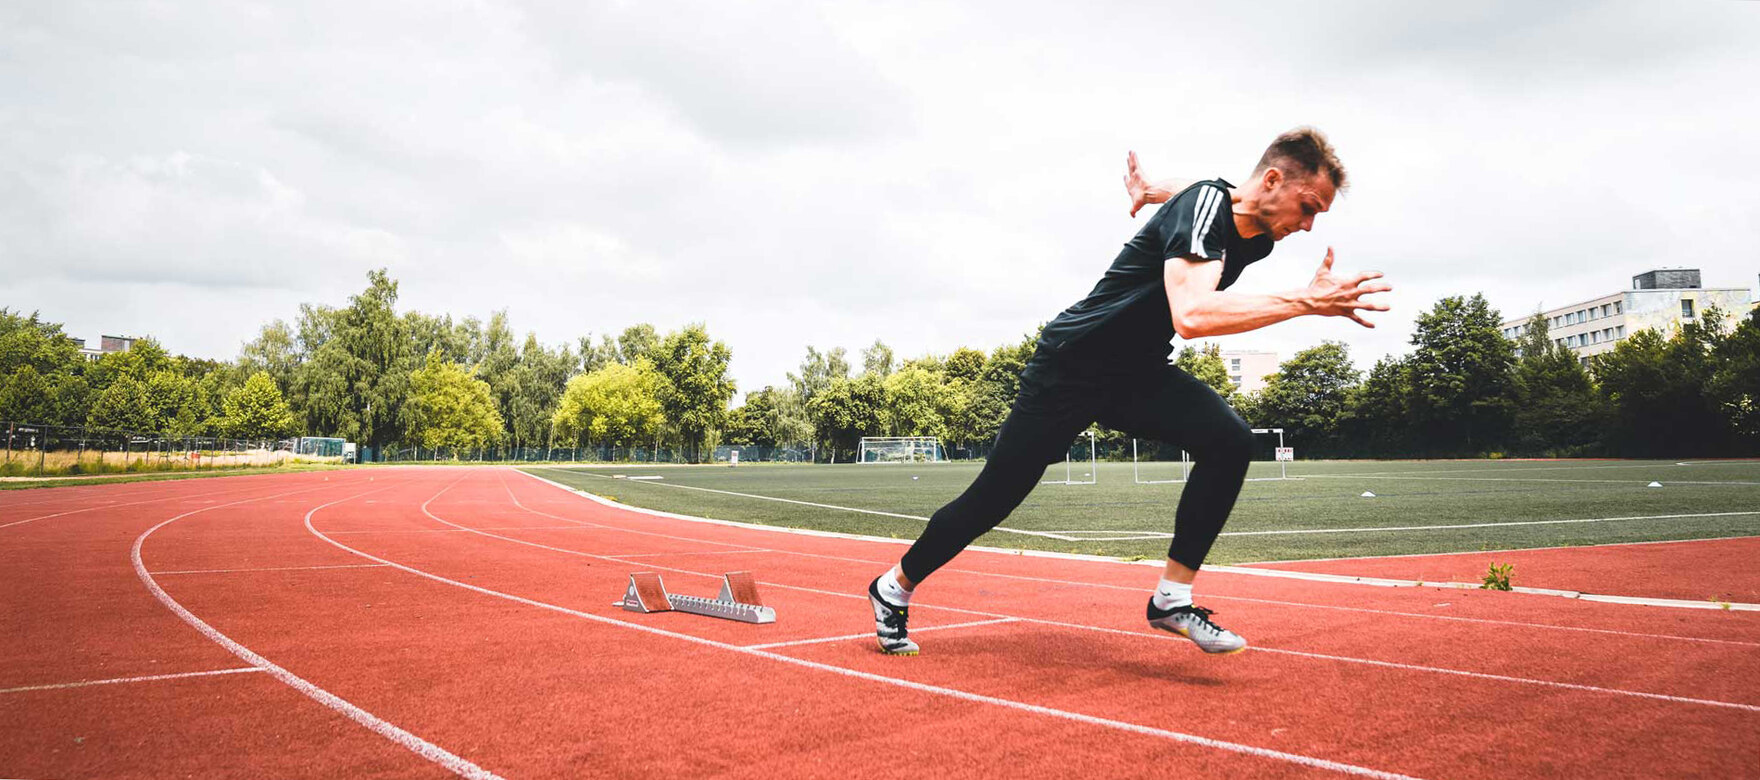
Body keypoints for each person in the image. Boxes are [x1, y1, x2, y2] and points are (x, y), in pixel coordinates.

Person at [867, 127, 1390, 656]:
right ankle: (893, 588)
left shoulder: (1252, 228)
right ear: (1273, 180)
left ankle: (1172, 598)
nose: (1307, 225)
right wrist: (1306, 302)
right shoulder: (1209, 207)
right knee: (991, 501)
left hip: (1135, 373)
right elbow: (1191, 316)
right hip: (1071, 366)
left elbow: (1196, 189)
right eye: (1307, 207)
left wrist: (1150, 191)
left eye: (1316, 215)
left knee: (1230, 441)